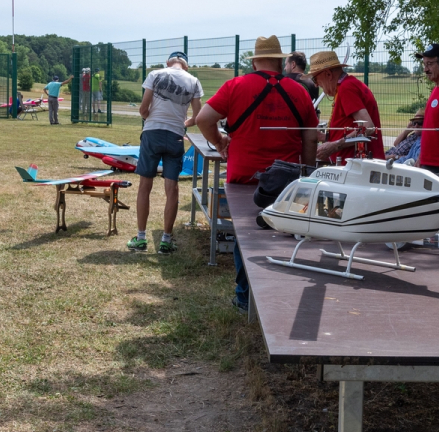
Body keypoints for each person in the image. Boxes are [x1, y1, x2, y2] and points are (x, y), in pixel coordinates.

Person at [194, 35, 317, 310]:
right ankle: (278, 296)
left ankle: (244, 298)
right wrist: (307, 176)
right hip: (286, 178)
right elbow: (310, 138)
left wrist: (219, 142)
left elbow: (203, 119)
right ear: (280, 62)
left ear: (254, 62)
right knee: (284, 234)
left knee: (245, 235)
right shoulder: (300, 91)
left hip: (244, 175)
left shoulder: (235, 85)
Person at [128, 53, 203, 254]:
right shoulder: (194, 81)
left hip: (152, 133)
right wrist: (182, 123)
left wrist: (149, 118)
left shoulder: (155, 74)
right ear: (186, 66)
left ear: (168, 63)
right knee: (172, 189)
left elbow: (143, 108)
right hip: (176, 136)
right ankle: (166, 240)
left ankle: (141, 238)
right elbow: (198, 116)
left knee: (145, 186)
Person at [392, 43, 439, 177]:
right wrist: (421, 157)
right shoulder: (436, 89)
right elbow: (429, 128)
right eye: (424, 64)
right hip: (428, 163)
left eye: (429, 64)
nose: (425, 69)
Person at [308, 50, 382, 164]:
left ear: (328, 74)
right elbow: (351, 127)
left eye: (315, 78)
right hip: (356, 164)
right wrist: (325, 137)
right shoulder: (347, 86)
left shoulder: (346, 88)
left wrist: (334, 146)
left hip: (358, 166)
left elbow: (368, 127)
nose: (316, 84)